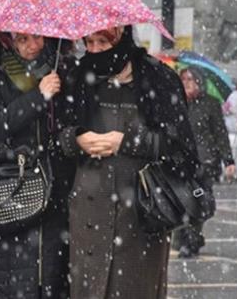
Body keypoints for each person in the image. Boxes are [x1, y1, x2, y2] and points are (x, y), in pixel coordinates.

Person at [59, 25, 200, 299]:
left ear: (122, 36)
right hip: (88, 214)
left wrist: (125, 141)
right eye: (89, 42)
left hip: (141, 213)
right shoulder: (77, 76)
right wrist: (76, 139)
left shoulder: (158, 79)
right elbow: (58, 137)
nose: (95, 49)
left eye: (102, 41)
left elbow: (180, 147)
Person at [0, 32, 76, 298]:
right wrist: (38, 97)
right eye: (22, 39)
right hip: (12, 182)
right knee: (11, 278)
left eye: (37, 38)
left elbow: (75, 121)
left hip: (56, 183)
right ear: (7, 40)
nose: (32, 45)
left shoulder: (62, 66)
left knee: (51, 275)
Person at [173, 67, 236, 258]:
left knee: (198, 201)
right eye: (183, 79)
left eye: (191, 79)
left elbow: (220, 134)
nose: (187, 83)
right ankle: (186, 238)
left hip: (205, 163)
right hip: (180, 162)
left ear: (199, 82)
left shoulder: (210, 104)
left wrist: (228, 160)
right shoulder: (175, 103)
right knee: (181, 202)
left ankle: (191, 239)